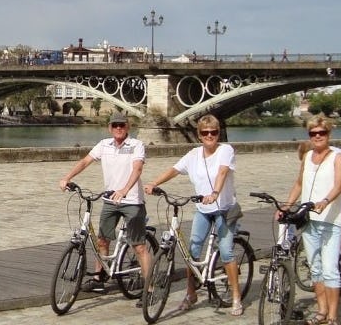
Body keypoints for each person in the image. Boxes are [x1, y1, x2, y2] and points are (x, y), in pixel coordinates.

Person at [143, 114, 244, 316]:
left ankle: (236, 297)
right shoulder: (193, 155)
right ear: (199, 135)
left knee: (226, 251)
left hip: (224, 209)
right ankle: (191, 294)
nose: (209, 136)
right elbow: (174, 170)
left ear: (218, 133)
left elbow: (223, 172)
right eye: (205, 133)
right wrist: (154, 183)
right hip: (203, 209)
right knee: (192, 251)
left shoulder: (226, 150)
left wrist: (215, 193)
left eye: (213, 132)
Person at [59, 112, 151, 297]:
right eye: (115, 125)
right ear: (109, 127)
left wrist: (124, 190)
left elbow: (137, 169)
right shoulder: (104, 145)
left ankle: (149, 288)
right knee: (102, 239)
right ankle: (99, 279)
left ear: (128, 127)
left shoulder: (136, 145)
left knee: (139, 246)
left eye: (122, 125)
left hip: (131, 201)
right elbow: (86, 161)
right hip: (110, 200)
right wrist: (67, 178)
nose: (118, 128)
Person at [284, 116, 341, 325]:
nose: (317, 137)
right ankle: (321, 311)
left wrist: (325, 200)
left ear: (328, 134)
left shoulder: (337, 157)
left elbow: (339, 186)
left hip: (330, 220)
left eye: (322, 133)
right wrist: (286, 205)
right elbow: (299, 183)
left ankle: (333, 317)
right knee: (315, 268)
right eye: (313, 133)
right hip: (308, 219)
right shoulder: (308, 156)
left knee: (330, 269)